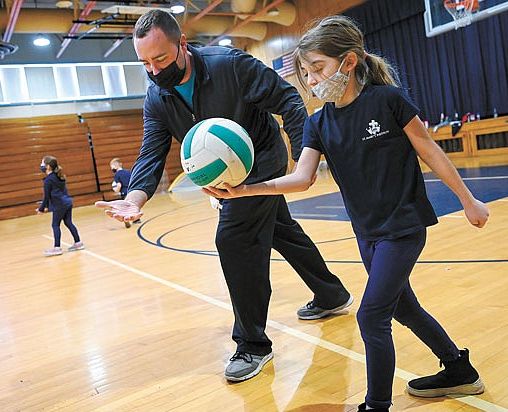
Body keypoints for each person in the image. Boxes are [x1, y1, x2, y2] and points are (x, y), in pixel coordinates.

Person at [203, 15, 489, 412]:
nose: (312, 78)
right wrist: (244, 190)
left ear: (349, 62)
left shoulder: (389, 101)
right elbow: (301, 178)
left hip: (403, 228)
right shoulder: (319, 123)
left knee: (372, 316)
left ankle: (376, 409)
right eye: (305, 72)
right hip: (368, 235)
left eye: (318, 67)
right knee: (403, 309)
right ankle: (458, 368)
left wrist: (468, 199)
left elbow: (430, 151)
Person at [95, 9, 352, 382]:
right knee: (281, 229)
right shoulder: (157, 98)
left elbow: (289, 101)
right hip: (226, 175)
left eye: (161, 59)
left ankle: (252, 345)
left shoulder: (232, 65)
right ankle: (331, 295)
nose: (153, 70)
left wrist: (303, 161)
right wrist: (135, 198)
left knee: (233, 239)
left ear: (182, 44)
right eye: (145, 62)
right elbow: (151, 152)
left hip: (261, 161)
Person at [37, 155, 84, 256]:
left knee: (55, 225)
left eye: (42, 163)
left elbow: (46, 196)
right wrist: (46, 207)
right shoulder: (59, 176)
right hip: (67, 202)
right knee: (68, 222)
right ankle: (78, 243)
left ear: (48, 166)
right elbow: (55, 194)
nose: (41, 166)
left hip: (60, 205)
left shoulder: (48, 180)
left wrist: (41, 209)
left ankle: (57, 248)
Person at [109, 158, 138, 228]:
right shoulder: (128, 171)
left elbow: (119, 185)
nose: (112, 169)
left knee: (124, 207)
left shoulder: (116, 175)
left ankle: (126, 221)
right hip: (131, 191)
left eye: (111, 167)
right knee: (132, 205)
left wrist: (116, 190)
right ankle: (137, 219)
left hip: (124, 192)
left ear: (115, 166)